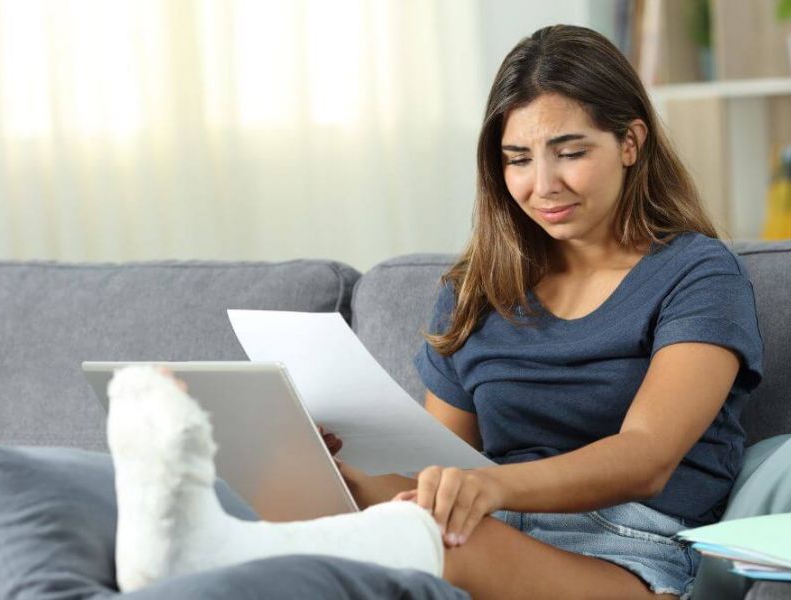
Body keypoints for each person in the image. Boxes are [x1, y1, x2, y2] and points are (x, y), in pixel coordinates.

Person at [108, 24, 763, 600]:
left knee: (430, 538)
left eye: (569, 151)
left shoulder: (697, 273)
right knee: (326, 496)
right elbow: (433, 468)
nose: (543, 184)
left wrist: (491, 490)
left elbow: (646, 456)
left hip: (627, 552)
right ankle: (190, 526)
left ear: (630, 142)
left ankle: (199, 553)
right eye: (517, 159)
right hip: (486, 527)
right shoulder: (479, 288)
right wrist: (338, 475)